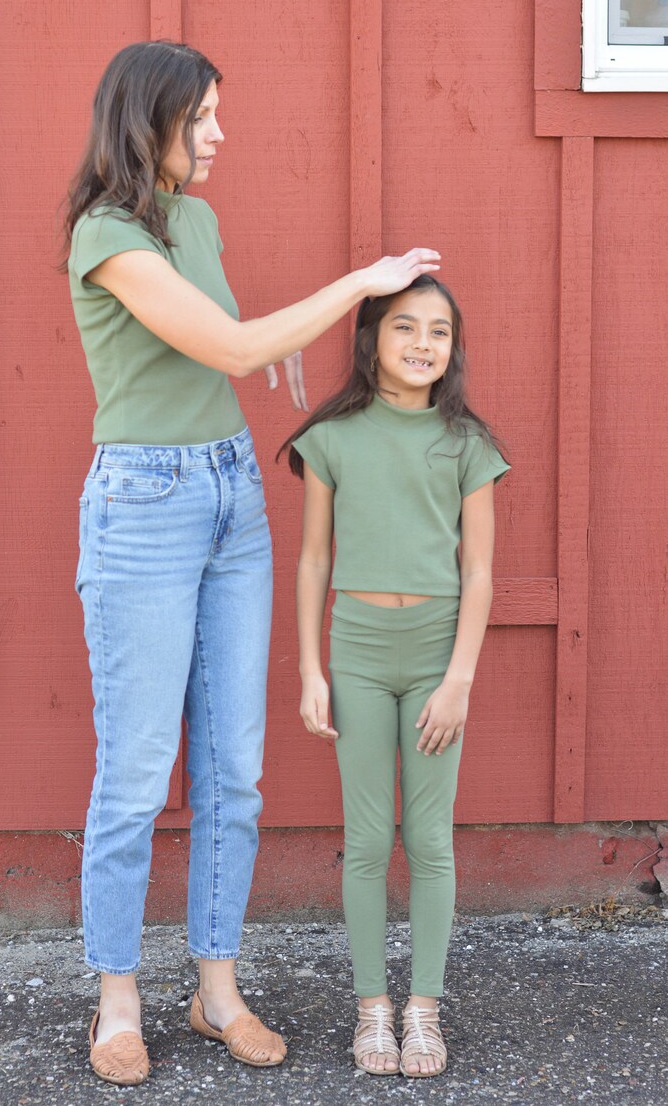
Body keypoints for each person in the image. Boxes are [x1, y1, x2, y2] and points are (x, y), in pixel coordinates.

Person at [61, 39, 441, 1086]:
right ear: (151, 124)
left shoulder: (196, 219)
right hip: (144, 506)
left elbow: (217, 337)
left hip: (230, 493)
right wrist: (357, 284)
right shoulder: (104, 232)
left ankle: (214, 989)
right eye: (203, 119)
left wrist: (263, 338)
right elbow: (222, 349)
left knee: (235, 771)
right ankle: (117, 999)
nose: (220, 134)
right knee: (136, 774)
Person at [282, 276, 510, 1078]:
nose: (423, 343)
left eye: (439, 331)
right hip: (360, 653)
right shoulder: (333, 438)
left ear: (453, 347)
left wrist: (461, 680)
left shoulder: (466, 443)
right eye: (405, 326)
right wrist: (312, 669)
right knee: (369, 837)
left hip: (437, 652)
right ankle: (372, 1009)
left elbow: (478, 573)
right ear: (370, 339)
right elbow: (314, 558)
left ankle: (424, 1010)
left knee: (431, 836)